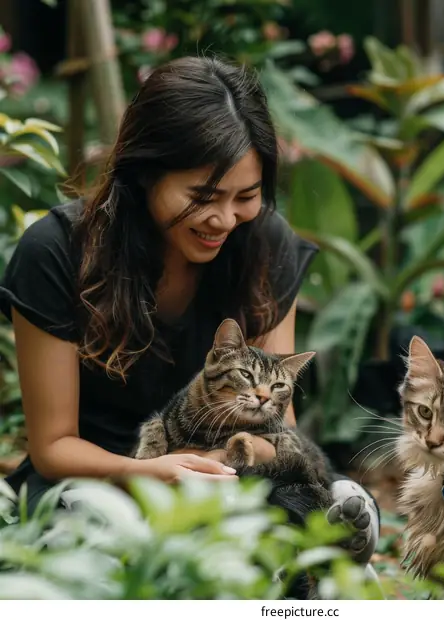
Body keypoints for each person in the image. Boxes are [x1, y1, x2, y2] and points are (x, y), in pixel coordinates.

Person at [0, 55, 380, 565]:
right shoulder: (55, 252)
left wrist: (229, 461)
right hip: (100, 477)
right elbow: (54, 445)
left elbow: (276, 426)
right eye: (203, 196)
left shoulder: (265, 244)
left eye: (246, 196)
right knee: (98, 541)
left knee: (295, 502)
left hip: (230, 471)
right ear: (145, 173)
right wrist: (150, 472)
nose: (225, 219)